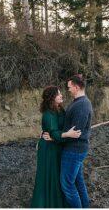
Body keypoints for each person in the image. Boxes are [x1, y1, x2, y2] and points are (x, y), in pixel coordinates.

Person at [42, 74, 93, 208]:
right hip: (75, 149)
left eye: (69, 87)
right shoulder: (78, 102)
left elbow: (74, 133)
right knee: (78, 181)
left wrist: (54, 137)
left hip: (74, 150)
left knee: (67, 185)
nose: (68, 89)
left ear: (76, 87)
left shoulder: (82, 105)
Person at [31, 85, 81, 208]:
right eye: (58, 94)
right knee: (50, 177)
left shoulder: (59, 109)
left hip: (56, 146)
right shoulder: (49, 113)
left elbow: (58, 129)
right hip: (49, 149)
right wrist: (67, 134)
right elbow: (53, 132)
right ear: (52, 97)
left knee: (57, 177)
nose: (61, 95)